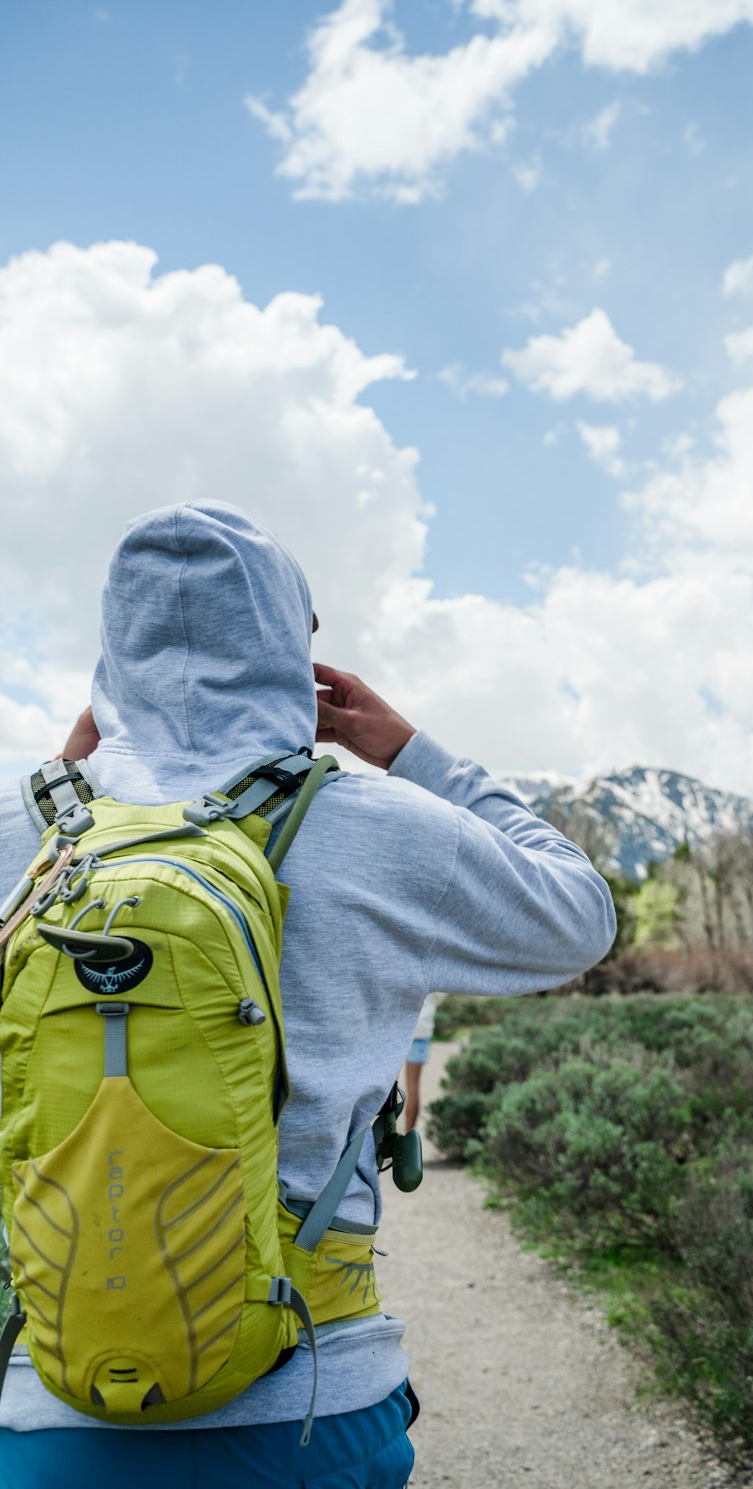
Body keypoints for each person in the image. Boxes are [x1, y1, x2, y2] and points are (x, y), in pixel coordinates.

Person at [0, 501, 616, 1489]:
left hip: (56, 1410)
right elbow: (578, 915)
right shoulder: (374, 820)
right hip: (308, 1409)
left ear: (111, 651)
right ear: (297, 647)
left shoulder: (29, 828)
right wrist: (415, 754)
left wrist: (64, 779)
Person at [402, 992, 446, 1133]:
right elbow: (441, 995)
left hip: (399, 1028)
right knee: (413, 1087)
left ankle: (384, 1136)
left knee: (388, 1087)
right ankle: (408, 1138)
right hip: (422, 1029)